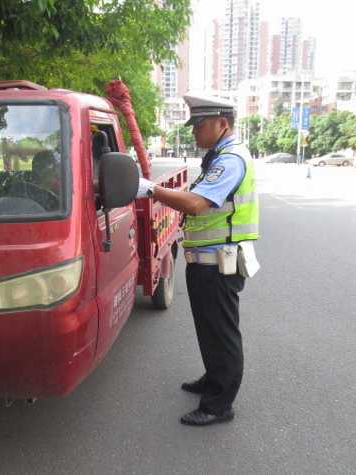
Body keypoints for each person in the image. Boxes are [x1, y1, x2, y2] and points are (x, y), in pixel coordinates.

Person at [136, 93, 259, 427]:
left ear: (222, 123)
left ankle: (219, 405)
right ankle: (214, 377)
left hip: (219, 263)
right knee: (209, 329)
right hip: (207, 261)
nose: (193, 132)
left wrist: (150, 189)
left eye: (199, 125)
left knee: (221, 334)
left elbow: (194, 203)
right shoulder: (219, 156)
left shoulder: (230, 160)